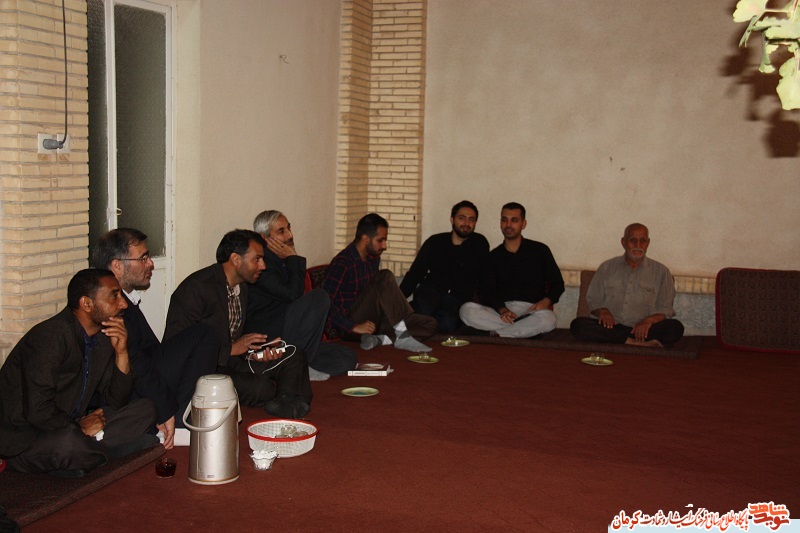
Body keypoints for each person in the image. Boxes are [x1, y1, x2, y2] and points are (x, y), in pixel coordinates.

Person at [0, 269, 158, 477]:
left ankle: (88, 456)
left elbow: (116, 400)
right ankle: (107, 452)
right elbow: (38, 411)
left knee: (146, 409)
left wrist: (122, 353)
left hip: (68, 426)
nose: (123, 304)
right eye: (114, 296)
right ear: (86, 304)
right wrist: (78, 427)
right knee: (69, 444)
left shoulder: (102, 337)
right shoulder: (51, 336)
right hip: (26, 436)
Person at [92, 228, 219, 448]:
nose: (150, 264)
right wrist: (165, 409)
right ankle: (178, 421)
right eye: (143, 258)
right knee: (204, 335)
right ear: (117, 266)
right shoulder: (108, 304)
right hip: (127, 390)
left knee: (202, 338)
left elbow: (148, 354)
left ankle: (179, 415)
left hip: (143, 377)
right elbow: (136, 363)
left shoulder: (124, 297)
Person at [164, 229, 312, 419]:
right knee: (261, 389)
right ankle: (288, 403)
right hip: (206, 369)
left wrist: (255, 352)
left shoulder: (242, 287)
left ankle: (288, 402)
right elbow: (177, 345)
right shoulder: (196, 288)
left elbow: (235, 336)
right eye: (257, 259)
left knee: (293, 354)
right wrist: (232, 349)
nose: (263, 266)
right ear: (235, 259)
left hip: (233, 361)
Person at [244, 210, 357, 379]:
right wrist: (293, 257)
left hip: (292, 337)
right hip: (271, 338)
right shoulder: (262, 265)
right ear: (264, 238)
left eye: (289, 228)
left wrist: (290, 260)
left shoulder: (281, 260)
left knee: (347, 357)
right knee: (319, 297)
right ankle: (297, 367)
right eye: (281, 231)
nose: (290, 235)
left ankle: (298, 365)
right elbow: (293, 295)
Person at [322, 213, 437, 352]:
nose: (384, 246)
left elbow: (376, 295)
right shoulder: (342, 263)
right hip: (352, 324)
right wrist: (353, 326)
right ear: (365, 239)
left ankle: (379, 340)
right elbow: (324, 303)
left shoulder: (373, 258)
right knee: (384, 276)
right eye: (380, 240)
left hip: (374, 322)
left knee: (429, 324)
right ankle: (402, 336)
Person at [569, 223, 684, 347]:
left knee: (675, 328)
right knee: (578, 325)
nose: (638, 245)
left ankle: (621, 339)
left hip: (645, 329)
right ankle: (632, 342)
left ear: (648, 243)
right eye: (633, 240)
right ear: (623, 242)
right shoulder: (607, 267)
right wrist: (603, 311)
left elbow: (666, 309)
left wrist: (648, 321)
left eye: (643, 241)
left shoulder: (661, 272)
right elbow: (593, 300)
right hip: (611, 327)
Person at [460, 202, 564, 338]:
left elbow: (558, 284)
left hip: (530, 311)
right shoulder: (492, 257)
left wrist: (546, 301)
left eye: (514, 220)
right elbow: (487, 290)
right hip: (500, 312)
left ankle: (498, 333)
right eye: (504, 220)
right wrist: (502, 309)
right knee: (466, 310)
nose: (508, 225)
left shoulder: (540, 251)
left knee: (549, 319)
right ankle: (521, 331)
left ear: (523, 224)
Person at [399, 200, 489, 332]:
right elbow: (416, 273)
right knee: (424, 311)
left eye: (471, 219)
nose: (466, 223)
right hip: (430, 291)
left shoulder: (479, 244)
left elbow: (485, 276)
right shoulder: (435, 242)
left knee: (447, 324)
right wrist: (398, 299)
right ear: (452, 219)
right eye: (462, 218)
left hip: (456, 299)